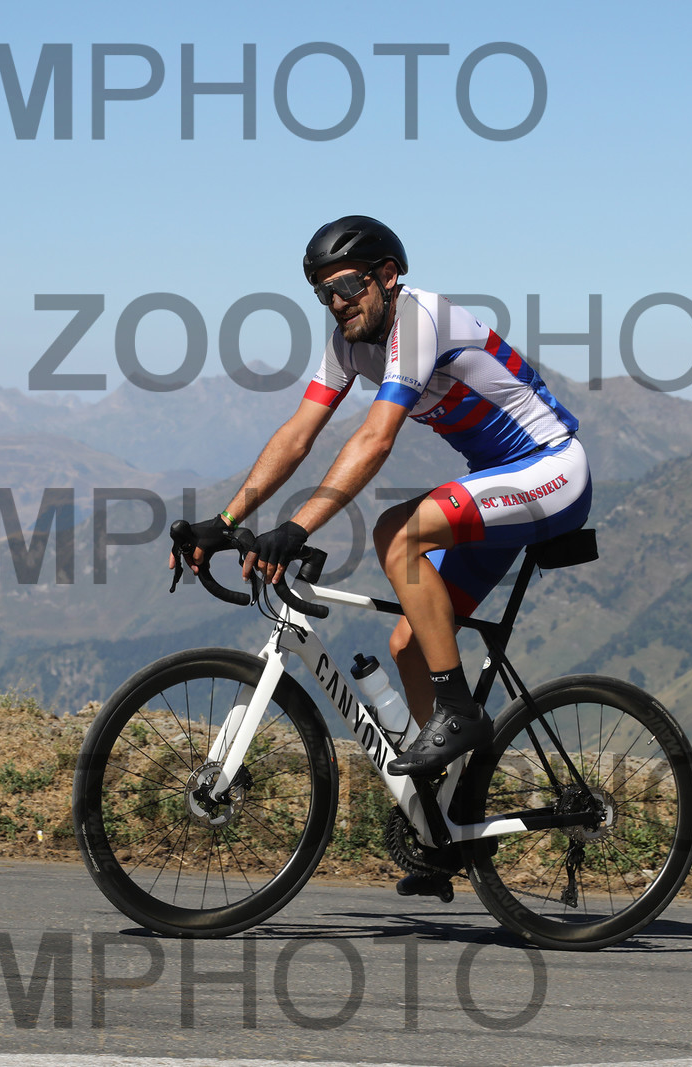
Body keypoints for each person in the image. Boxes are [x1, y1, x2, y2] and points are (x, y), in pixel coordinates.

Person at [181, 215, 591, 780]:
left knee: (397, 533)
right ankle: (444, 805)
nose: (337, 302)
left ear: (388, 275)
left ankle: (459, 712)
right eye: (324, 293)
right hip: (500, 486)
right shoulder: (348, 346)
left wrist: (297, 528)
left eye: (348, 285)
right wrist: (225, 519)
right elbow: (298, 434)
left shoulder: (421, 319)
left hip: (553, 470)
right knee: (411, 647)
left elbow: (375, 439)